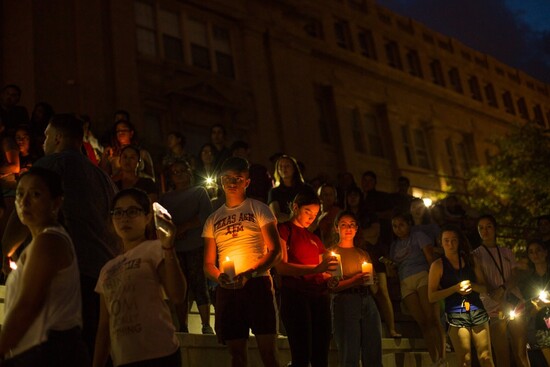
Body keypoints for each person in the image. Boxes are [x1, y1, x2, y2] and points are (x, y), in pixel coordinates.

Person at [2, 114, 118, 357]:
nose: (43, 141)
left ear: (57, 138)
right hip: (102, 272)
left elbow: (24, 214)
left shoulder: (51, 165)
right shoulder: (104, 178)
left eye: (46, 136)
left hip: (69, 271)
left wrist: (5, 249)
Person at [0, 167, 89, 366]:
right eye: (20, 194)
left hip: (50, 351)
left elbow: (28, 305)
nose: (24, 202)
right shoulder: (40, 241)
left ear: (56, 202)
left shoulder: (49, 241)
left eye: (36, 194)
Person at [203, 156, 282, 367]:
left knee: (268, 353)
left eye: (237, 178)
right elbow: (208, 263)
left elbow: (275, 251)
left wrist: (250, 273)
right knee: (236, 355)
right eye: (226, 178)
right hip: (228, 289)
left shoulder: (259, 209)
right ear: (220, 181)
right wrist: (219, 276)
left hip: (258, 285)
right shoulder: (213, 219)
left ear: (246, 182)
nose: (231, 183)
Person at [93, 188, 186, 367]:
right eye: (118, 213)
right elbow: (104, 326)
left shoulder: (155, 249)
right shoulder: (107, 268)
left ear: (148, 217)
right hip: (124, 358)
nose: (124, 218)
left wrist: (169, 248)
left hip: (159, 354)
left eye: (132, 211)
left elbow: (177, 295)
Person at [275, 186, 339, 367]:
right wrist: (316, 268)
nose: (311, 217)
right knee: (301, 354)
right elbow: (281, 267)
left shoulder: (315, 238)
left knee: (321, 357)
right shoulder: (284, 229)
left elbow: (325, 268)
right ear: (295, 207)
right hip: (296, 296)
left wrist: (330, 277)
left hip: (320, 298)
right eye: (307, 211)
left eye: (316, 213)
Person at [159, 161, 214, 334]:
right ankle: (182, 325)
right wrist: (174, 231)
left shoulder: (199, 192)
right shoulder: (165, 198)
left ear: (190, 173)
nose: (179, 174)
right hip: (176, 247)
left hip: (196, 245)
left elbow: (206, 216)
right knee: (180, 287)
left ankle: (206, 324)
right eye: (175, 171)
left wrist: (184, 227)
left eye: (183, 170)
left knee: (199, 284)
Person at [428, 225, 493, 367]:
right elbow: (432, 296)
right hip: (455, 313)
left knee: (486, 356)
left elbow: (484, 287)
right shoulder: (438, 265)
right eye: (446, 241)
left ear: (459, 241)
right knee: (465, 360)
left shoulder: (470, 260)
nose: (450, 244)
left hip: (477, 310)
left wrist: (472, 286)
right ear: (441, 242)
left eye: (453, 240)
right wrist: (455, 289)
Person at [472, 215, 530, 367]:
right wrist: (499, 298)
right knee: (501, 354)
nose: (485, 231)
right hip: (492, 305)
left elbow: (515, 275)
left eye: (489, 226)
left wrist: (503, 289)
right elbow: (482, 282)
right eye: (481, 228)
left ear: (495, 229)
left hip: (513, 299)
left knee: (521, 352)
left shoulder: (506, 252)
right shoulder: (476, 255)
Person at [388, 212, 445, 365]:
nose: (398, 229)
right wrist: (390, 266)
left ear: (409, 224)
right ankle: (435, 359)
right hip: (405, 282)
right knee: (423, 322)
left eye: (401, 225)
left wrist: (436, 278)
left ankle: (442, 356)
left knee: (432, 318)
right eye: (394, 226)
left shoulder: (418, 235)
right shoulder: (394, 246)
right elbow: (393, 270)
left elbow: (429, 257)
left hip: (422, 275)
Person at [329, 211, 383, 367]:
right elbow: (332, 286)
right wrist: (354, 280)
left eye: (352, 224)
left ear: (357, 228)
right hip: (345, 301)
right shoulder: (331, 254)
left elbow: (373, 287)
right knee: (349, 351)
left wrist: (373, 280)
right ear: (336, 228)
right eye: (344, 225)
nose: (348, 228)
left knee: (373, 348)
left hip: (367, 300)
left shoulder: (362, 253)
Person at [519, 240, 550, 366]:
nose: (535, 254)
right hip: (542, 327)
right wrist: (536, 308)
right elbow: (529, 310)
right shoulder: (528, 281)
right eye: (531, 252)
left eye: (538, 250)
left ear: (545, 252)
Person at [268, 155, 306, 223]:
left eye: (287, 166)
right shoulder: (274, 192)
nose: (284, 168)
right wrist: (295, 219)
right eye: (280, 166)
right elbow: (276, 215)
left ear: (294, 168)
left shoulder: (305, 189)